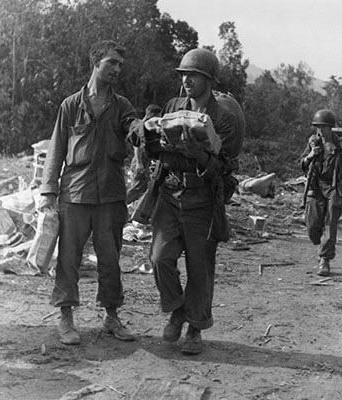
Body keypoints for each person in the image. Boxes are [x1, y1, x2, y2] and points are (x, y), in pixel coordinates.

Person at [136, 48, 244, 355]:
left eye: (193, 75)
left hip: (203, 199)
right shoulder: (173, 105)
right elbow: (158, 150)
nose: (186, 81)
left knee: (200, 268)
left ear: (207, 79)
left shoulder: (224, 117)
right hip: (169, 193)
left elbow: (224, 166)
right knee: (159, 258)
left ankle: (195, 328)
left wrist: (197, 154)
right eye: (183, 75)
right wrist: (152, 135)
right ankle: (177, 309)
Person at [39, 41, 138, 345]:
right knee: (69, 258)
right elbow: (56, 150)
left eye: (120, 65)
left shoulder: (122, 106)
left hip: (110, 195)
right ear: (96, 63)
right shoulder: (71, 105)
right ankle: (66, 318)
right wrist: (49, 192)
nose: (117, 70)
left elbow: (132, 126)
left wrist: (140, 128)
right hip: (75, 194)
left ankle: (111, 317)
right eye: (111, 63)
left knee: (110, 258)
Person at [300, 109, 342, 276]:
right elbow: (302, 163)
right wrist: (311, 155)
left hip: (335, 187)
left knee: (330, 223)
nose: (320, 131)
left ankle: (324, 260)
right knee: (313, 227)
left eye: (324, 127)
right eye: (318, 127)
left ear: (331, 128)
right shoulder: (313, 142)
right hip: (316, 186)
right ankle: (321, 244)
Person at [126, 104, 162, 205]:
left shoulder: (150, 128)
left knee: (145, 188)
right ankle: (121, 205)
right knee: (137, 188)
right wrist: (139, 163)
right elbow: (136, 146)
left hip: (146, 161)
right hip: (140, 160)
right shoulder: (142, 127)